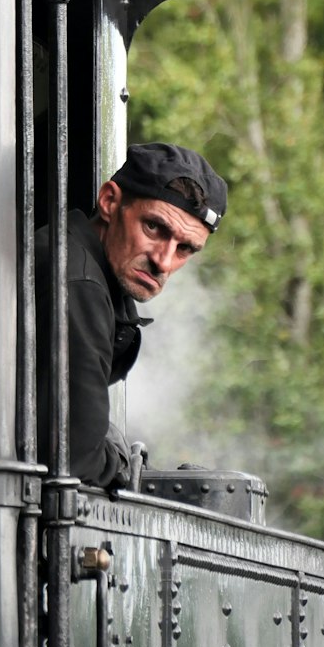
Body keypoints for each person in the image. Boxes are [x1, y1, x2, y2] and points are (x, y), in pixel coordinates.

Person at [36, 142, 227, 489]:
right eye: (154, 228)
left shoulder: (79, 265)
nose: (164, 262)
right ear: (110, 202)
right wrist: (124, 461)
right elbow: (75, 461)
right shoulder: (78, 283)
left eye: (185, 248)